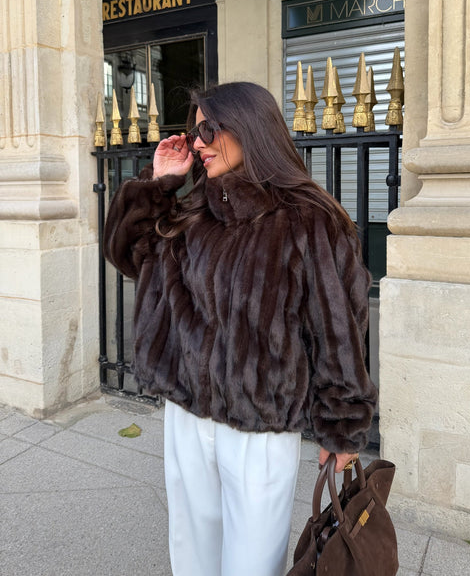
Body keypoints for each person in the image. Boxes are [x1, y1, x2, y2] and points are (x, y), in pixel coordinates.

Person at [103, 81, 377, 576]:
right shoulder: (195, 210)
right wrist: (159, 185)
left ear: (249, 128)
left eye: (208, 129)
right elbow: (129, 255)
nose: (198, 143)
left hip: (261, 425)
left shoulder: (308, 219)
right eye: (195, 132)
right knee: (191, 552)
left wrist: (342, 426)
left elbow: (338, 327)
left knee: (252, 561)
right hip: (187, 414)